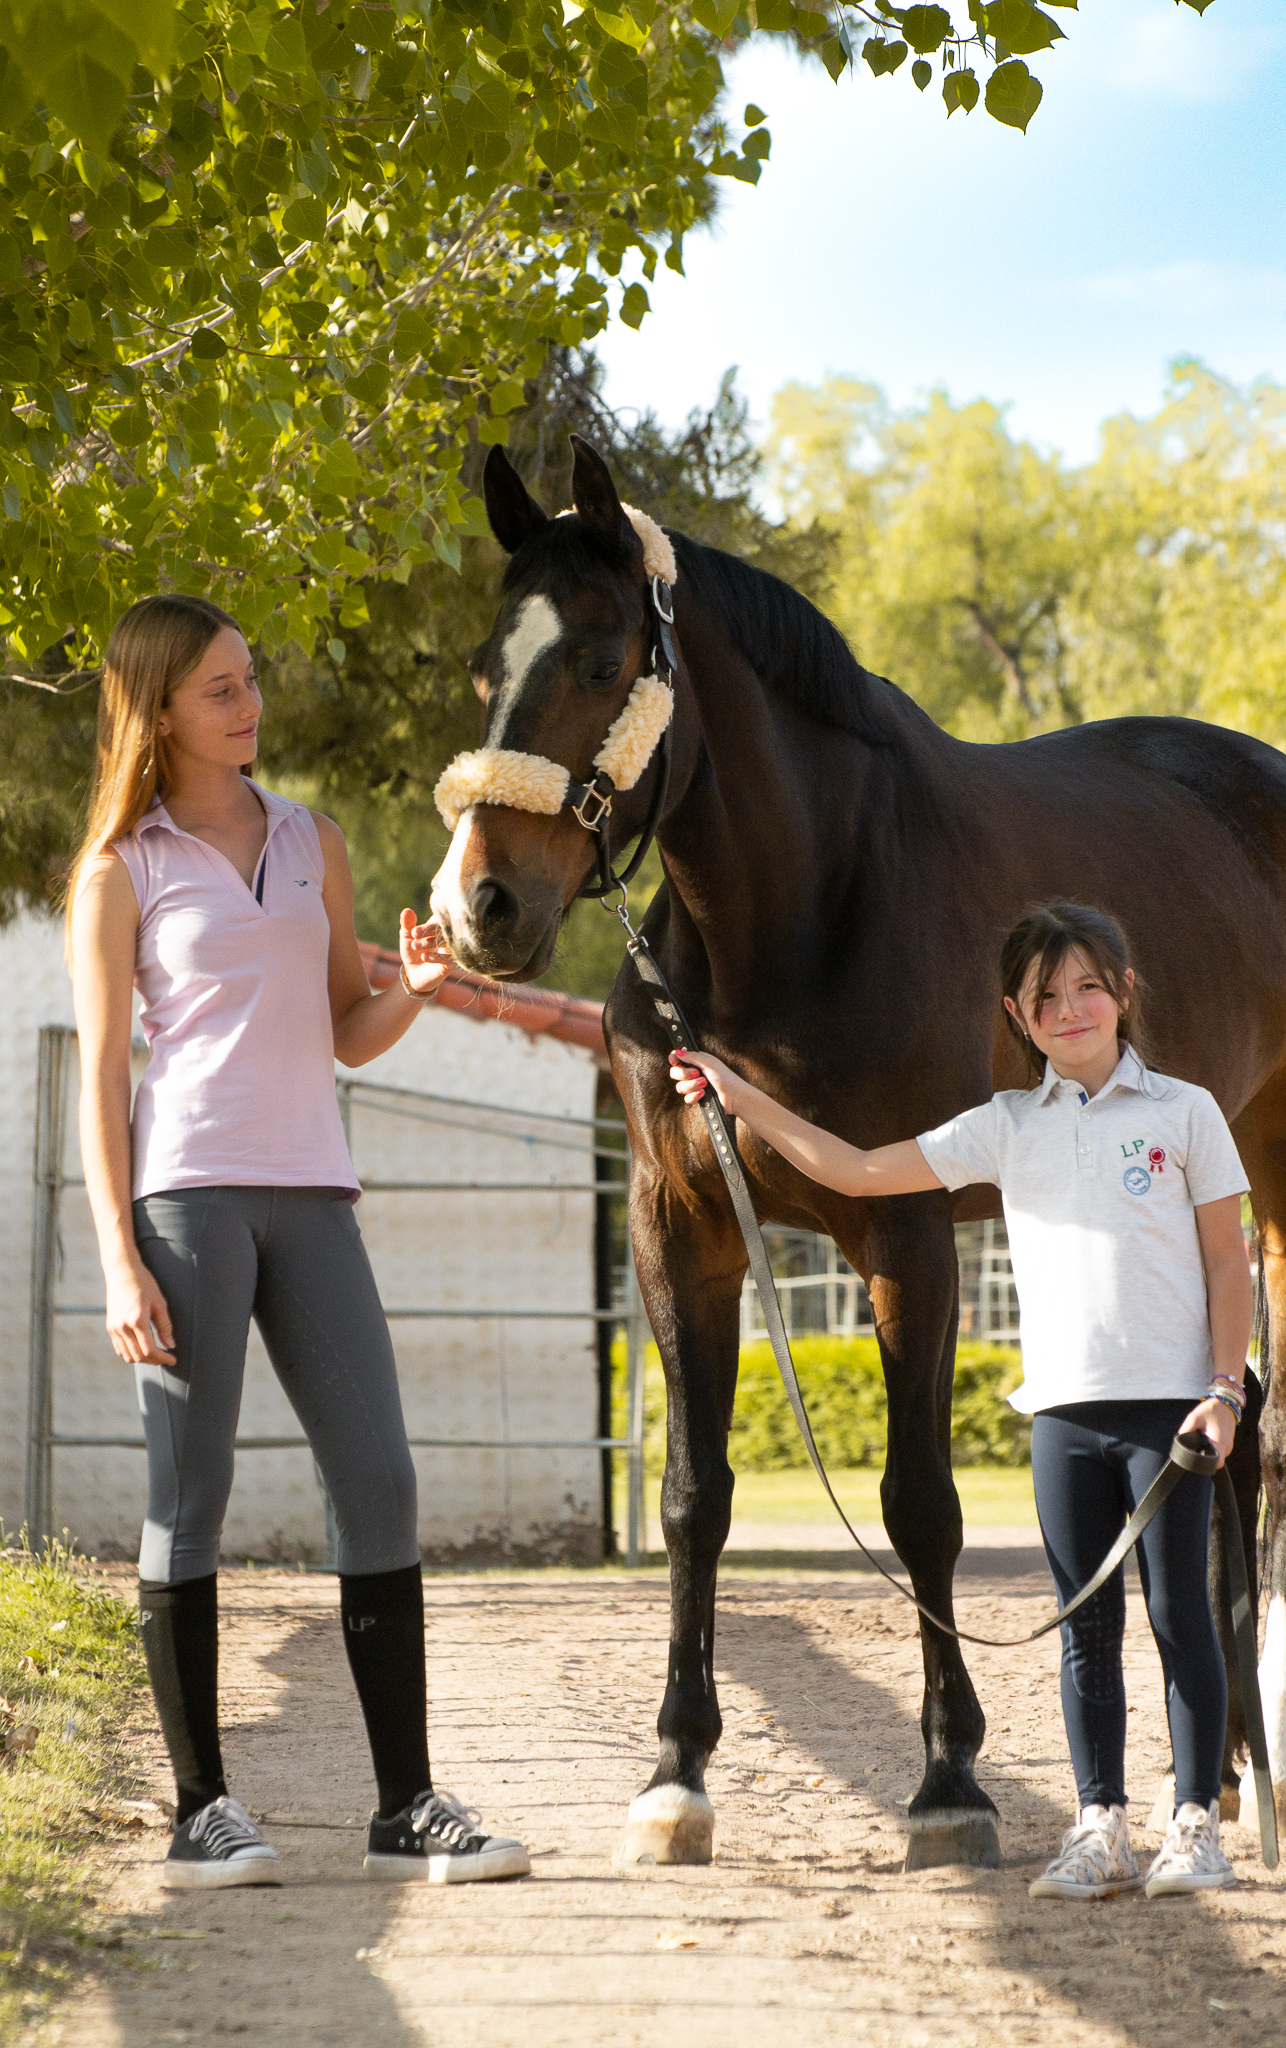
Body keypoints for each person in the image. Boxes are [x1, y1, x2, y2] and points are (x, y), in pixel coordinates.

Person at [68, 594, 530, 1891]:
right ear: (158, 711)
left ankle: (404, 1809)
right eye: (219, 689)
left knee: (378, 1480)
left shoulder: (308, 839)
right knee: (190, 1499)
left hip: (314, 1193)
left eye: (249, 679)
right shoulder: (126, 869)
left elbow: (343, 1027)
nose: (248, 702)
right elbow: (103, 1075)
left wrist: (419, 995)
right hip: (185, 1203)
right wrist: (117, 1255)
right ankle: (202, 1808)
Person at [669, 900, 1254, 1901]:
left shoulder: (1184, 1112)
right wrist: (738, 1095)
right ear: (1014, 1015)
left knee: (1174, 1616)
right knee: (1082, 1627)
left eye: (1085, 986)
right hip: (1062, 1415)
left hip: (1171, 1413)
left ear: (1121, 994)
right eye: (1043, 995)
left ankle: (1192, 1822)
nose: (1068, 1008)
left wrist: (1222, 1390)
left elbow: (1222, 1260)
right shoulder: (1002, 1126)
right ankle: (1098, 1822)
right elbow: (852, 1169)